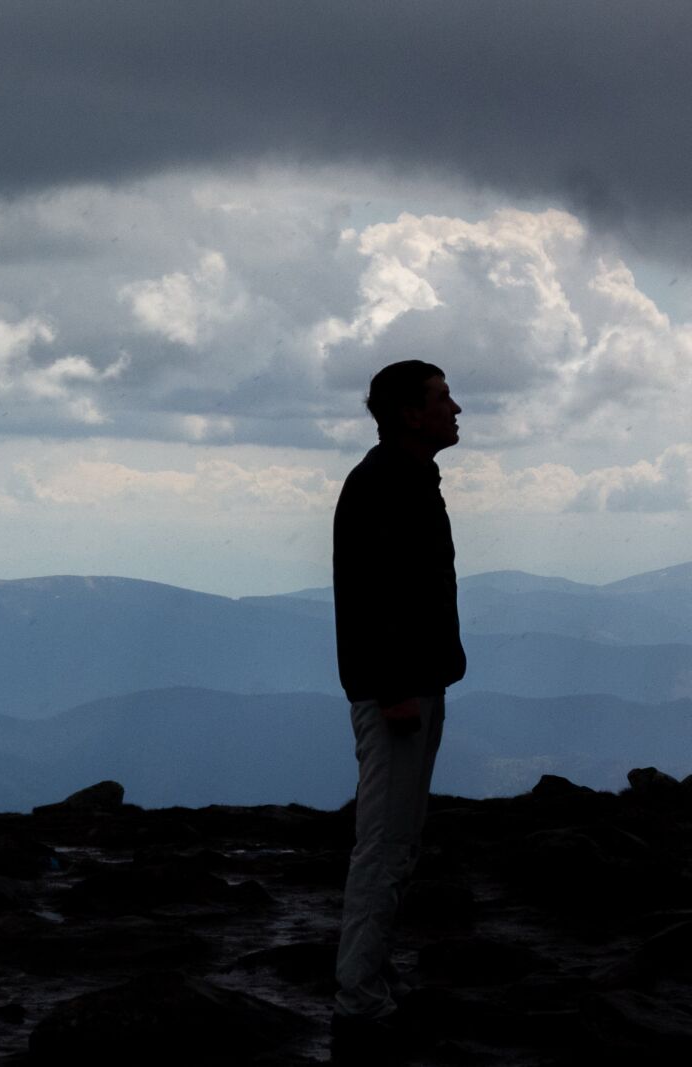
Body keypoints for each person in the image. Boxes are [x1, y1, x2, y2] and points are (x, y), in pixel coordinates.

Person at [331, 360, 466, 1056]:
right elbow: (372, 598)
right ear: (411, 413)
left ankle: (372, 983)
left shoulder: (402, 478)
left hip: (414, 684)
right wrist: (392, 691)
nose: (457, 409)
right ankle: (359, 998)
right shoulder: (386, 484)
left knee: (398, 843)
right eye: (443, 399)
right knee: (384, 844)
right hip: (400, 692)